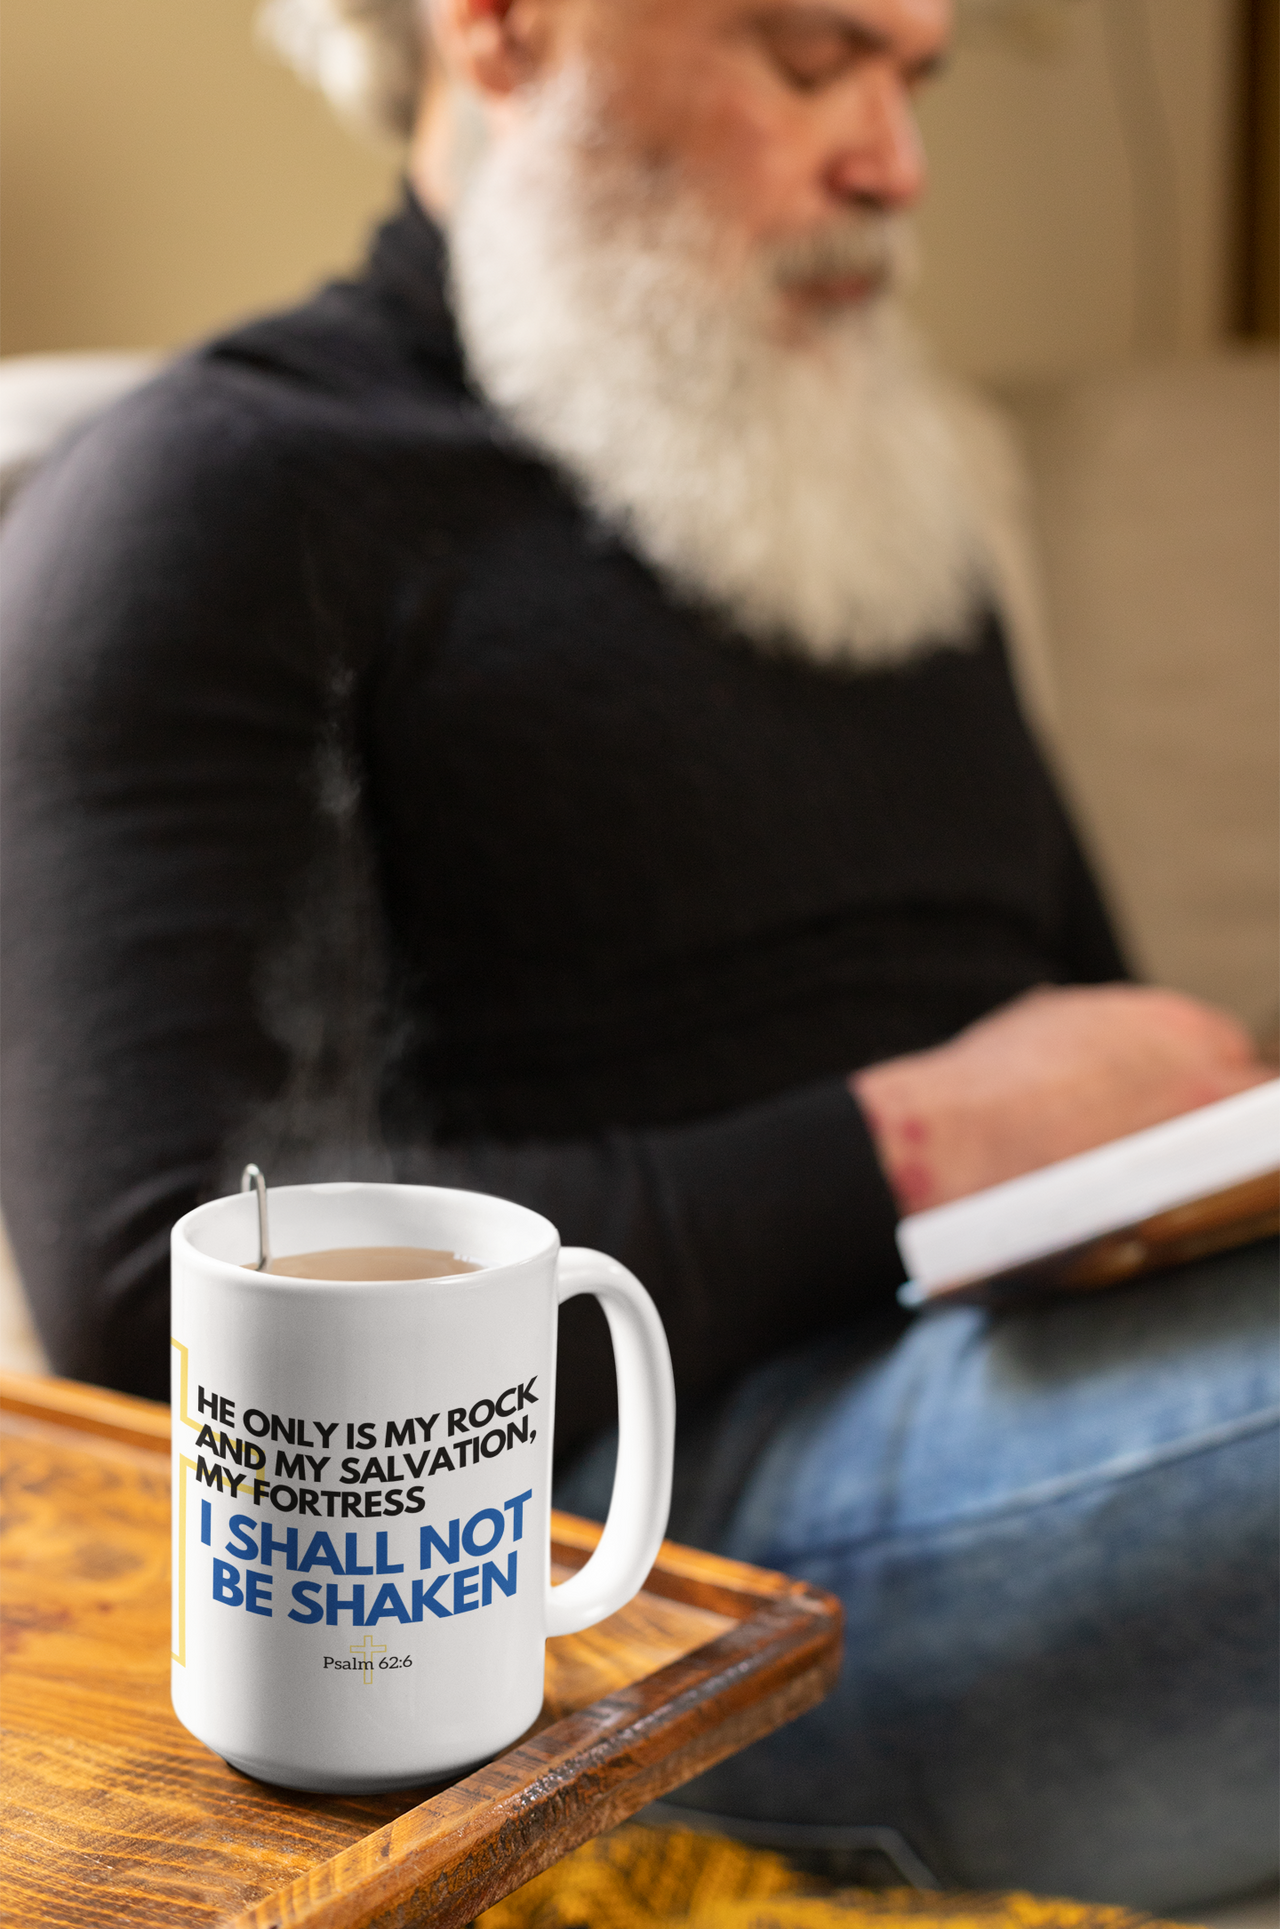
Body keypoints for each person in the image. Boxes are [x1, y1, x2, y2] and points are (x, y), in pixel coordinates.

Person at [1, 0, 1274, 1904]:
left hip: (1066, 1378)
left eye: (913, 81)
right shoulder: (218, 499)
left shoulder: (886, 500)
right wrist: (910, 1145)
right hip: (653, 1538)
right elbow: (142, 1302)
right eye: (807, 55)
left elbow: (1097, 1043)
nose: (897, 166)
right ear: (503, 26)